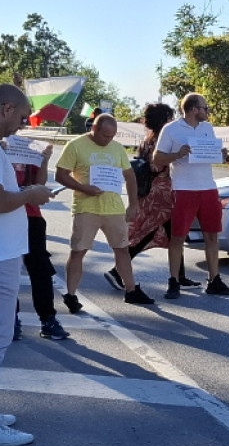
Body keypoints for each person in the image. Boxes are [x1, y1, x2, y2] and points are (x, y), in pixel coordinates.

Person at [0, 83, 55, 446]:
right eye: (21, 117)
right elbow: (2, 200)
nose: (22, 125)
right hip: (0, 253)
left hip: (6, 250)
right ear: (5, 108)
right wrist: (30, 196)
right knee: (0, 336)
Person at [55, 114, 156, 309]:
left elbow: (130, 177)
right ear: (94, 128)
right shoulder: (75, 145)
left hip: (114, 209)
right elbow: (60, 175)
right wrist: (85, 189)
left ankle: (131, 290)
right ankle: (71, 295)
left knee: (122, 250)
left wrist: (133, 204)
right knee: (78, 251)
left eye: (112, 136)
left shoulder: (117, 148)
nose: (108, 140)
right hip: (86, 208)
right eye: (104, 135)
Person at [102, 104, 200, 292]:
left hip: (149, 191)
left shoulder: (147, 139)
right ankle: (117, 271)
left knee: (173, 235)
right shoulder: (161, 139)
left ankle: (179, 277)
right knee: (150, 233)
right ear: (164, 118)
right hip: (161, 192)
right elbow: (159, 164)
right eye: (169, 117)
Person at [153, 93, 229, 298]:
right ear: (193, 109)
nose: (207, 112)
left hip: (208, 188)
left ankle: (214, 280)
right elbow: (157, 158)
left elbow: (210, 153)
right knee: (178, 237)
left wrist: (221, 154)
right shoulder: (171, 129)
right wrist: (178, 154)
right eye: (205, 108)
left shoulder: (207, 128)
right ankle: (173, 281)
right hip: (183, 189)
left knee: (211, 235)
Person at [11, 142, 69, 340]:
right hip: (6, 217)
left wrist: (43, 161)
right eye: (20, 117)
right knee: (7, 270)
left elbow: (40, 184)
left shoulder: (24, 147)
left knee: (41, 268)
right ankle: (11, 318)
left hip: (31, 216)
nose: (21, 122)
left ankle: (48, 319)